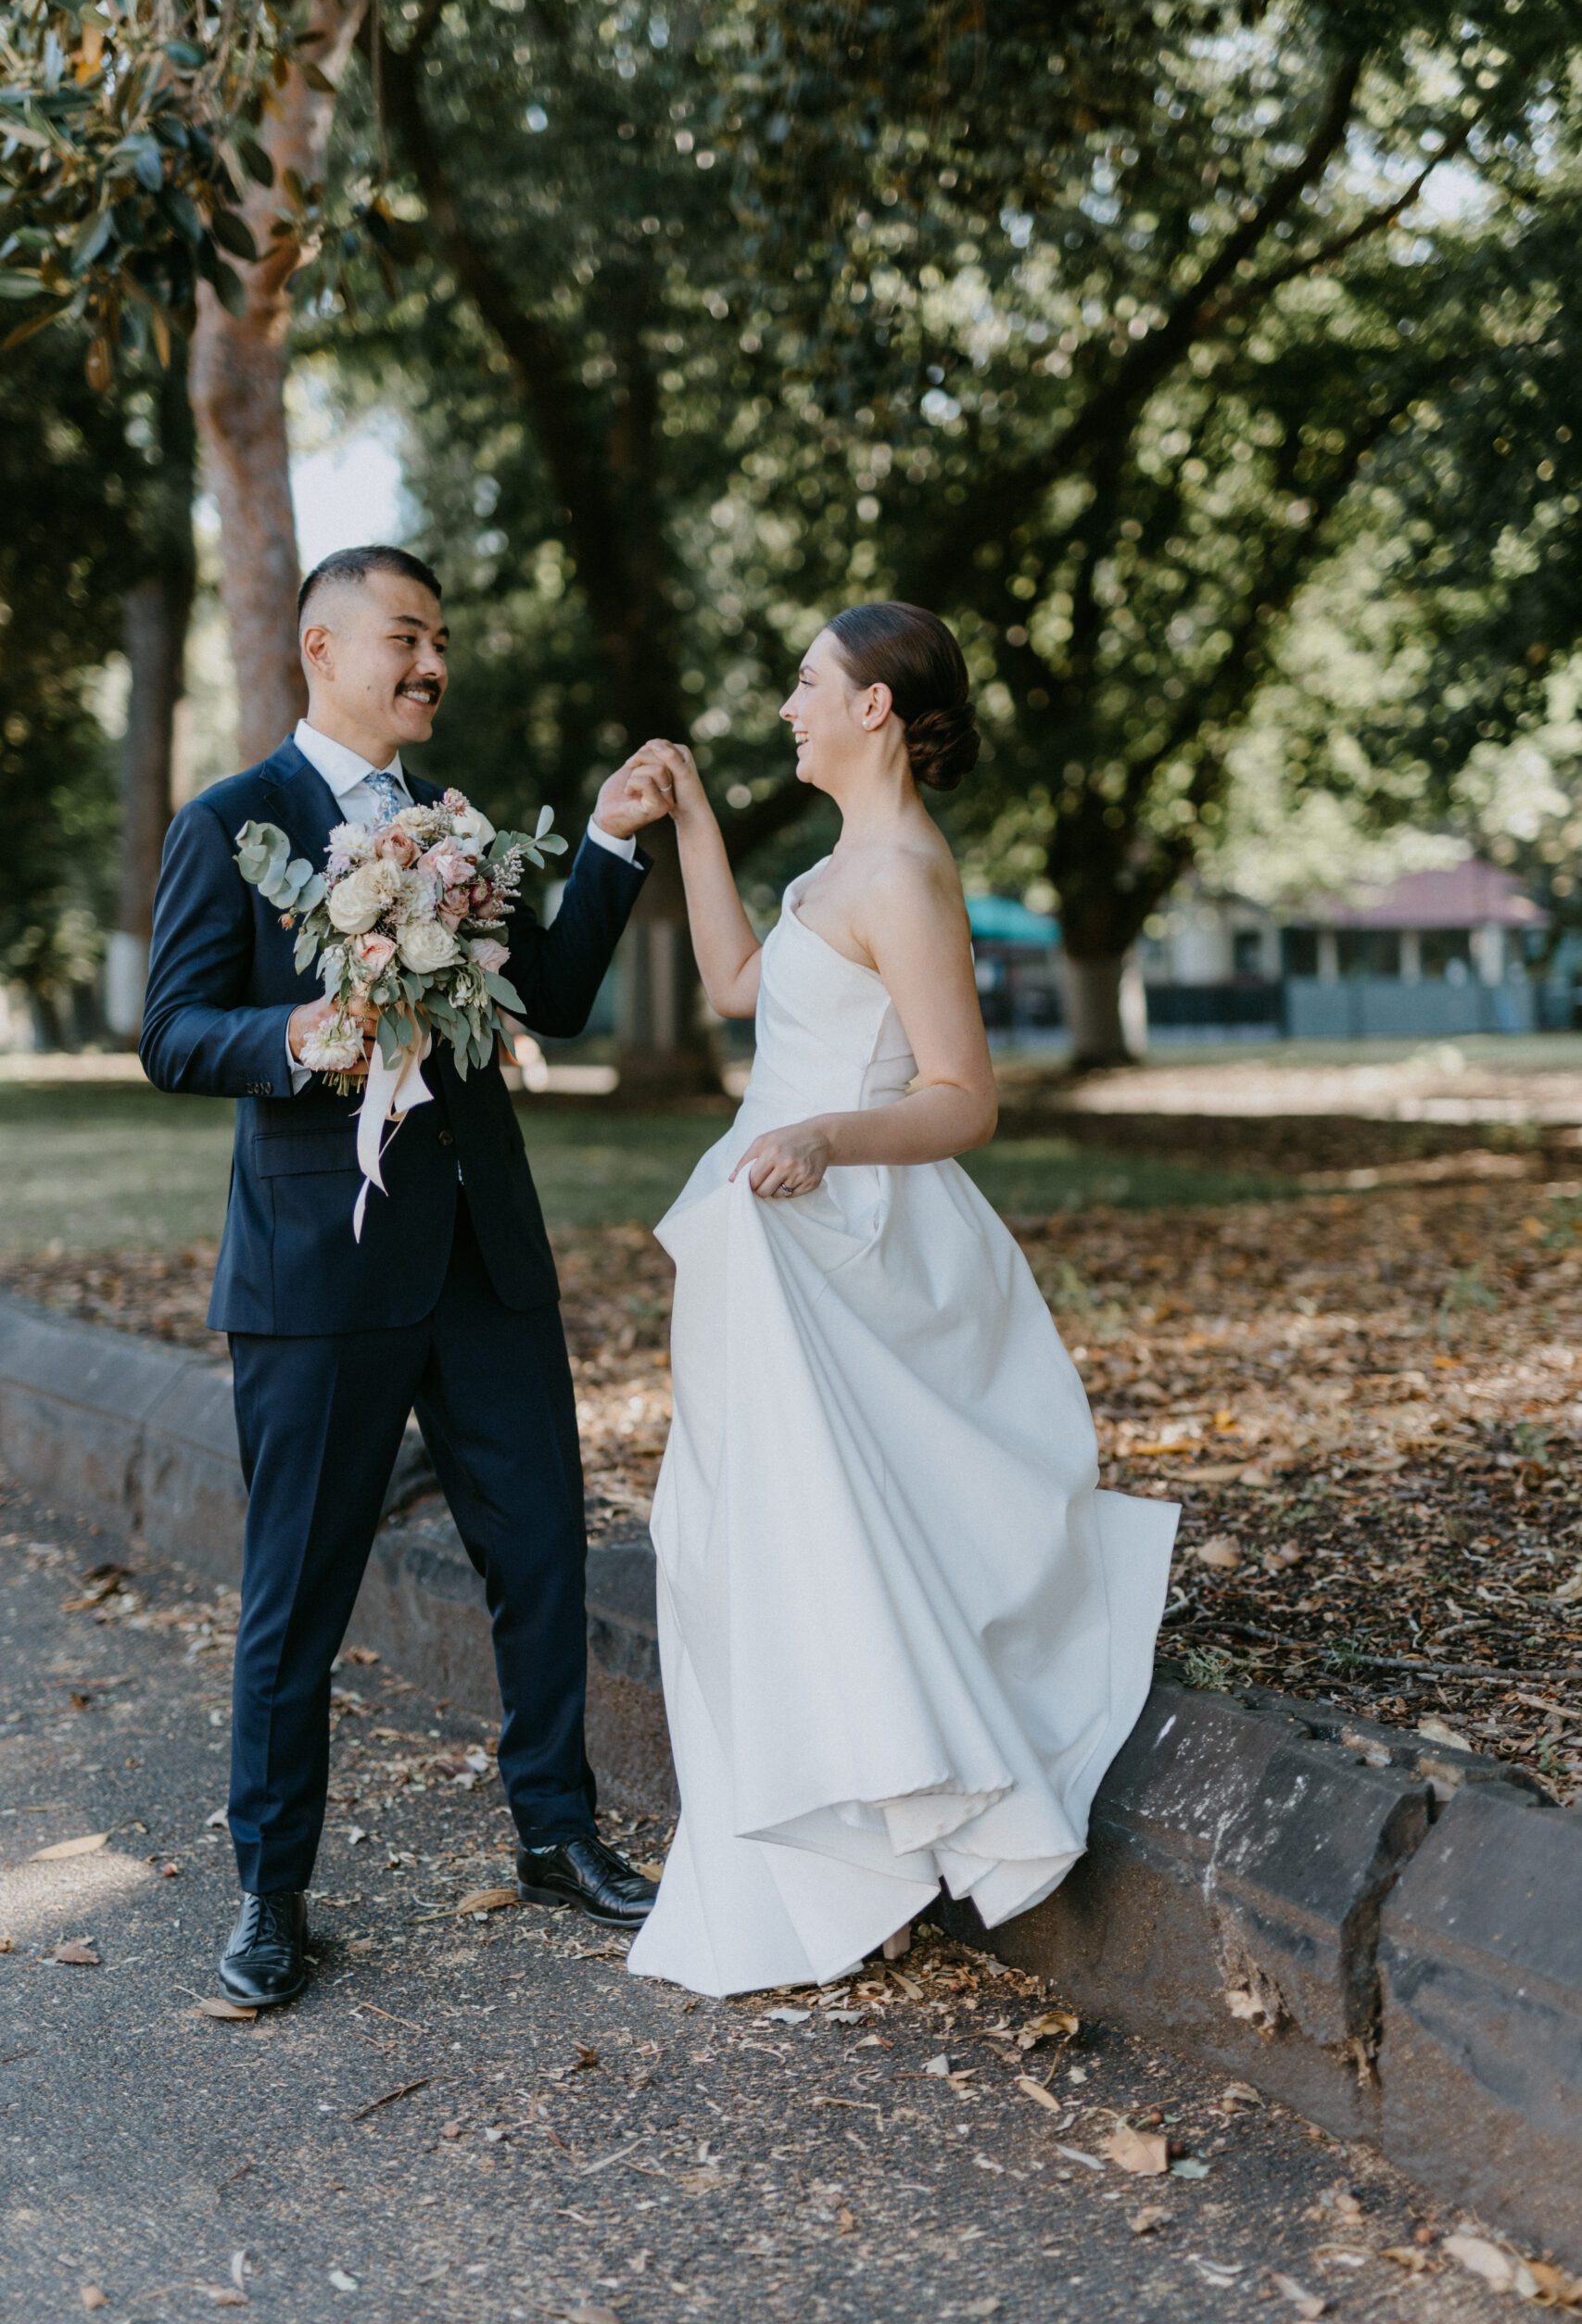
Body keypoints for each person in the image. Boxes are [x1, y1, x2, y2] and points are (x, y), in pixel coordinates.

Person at [621, 602, 1180, 1998]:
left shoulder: (909, 876)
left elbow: (961, 1099)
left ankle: (889, 1816)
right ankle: (798, 1839)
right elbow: (744, 984)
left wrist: (823, 1139)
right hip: (774, 1229)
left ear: (876, 709)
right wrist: (691, 823)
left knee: (827, 1530)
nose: (791, 704)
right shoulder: (841, 866)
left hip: (845, 1231)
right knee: (739, 1533)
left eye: (811, 683)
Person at [140, 545, 671, 2007]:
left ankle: (558, 1836)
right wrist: (297, 1034)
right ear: (322, 647)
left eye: (442, 642)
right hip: (319, 1274)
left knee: (544, 1552)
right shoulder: (233, 820)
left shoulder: (452, 828)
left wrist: (615, 847)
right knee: (293, 1595)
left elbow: (544, 1003)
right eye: (407, 637)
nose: (433, 665)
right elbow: (175, 1031)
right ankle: (271, 1896)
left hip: (484, 1258)